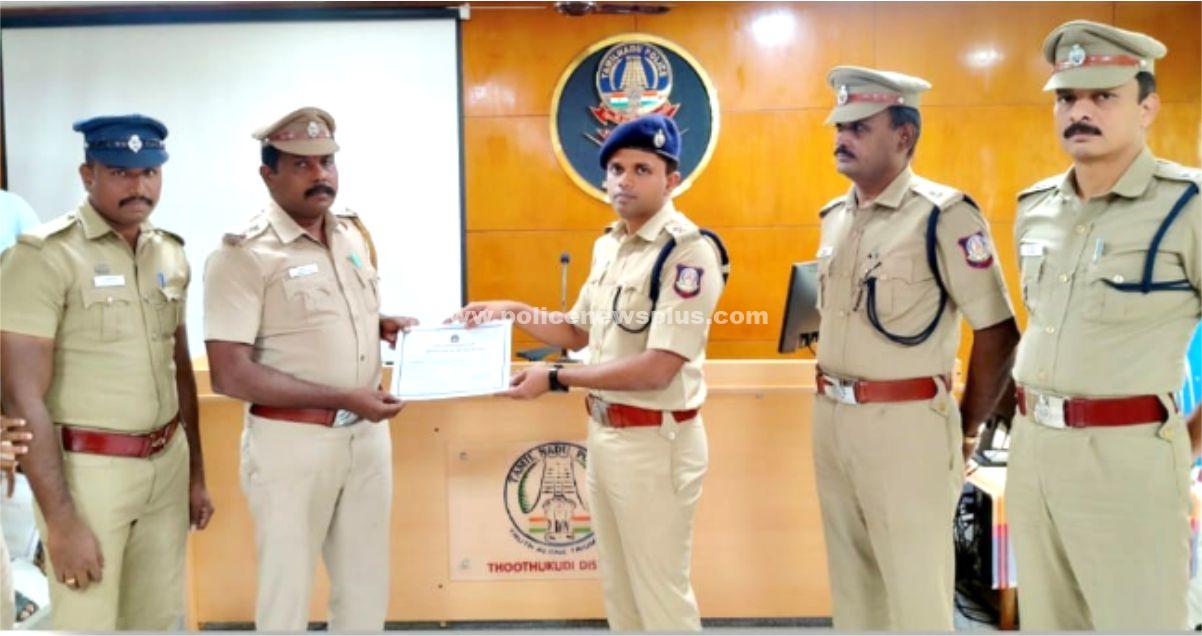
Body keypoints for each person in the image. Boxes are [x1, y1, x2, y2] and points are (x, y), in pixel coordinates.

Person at [453, 114, 728, 631]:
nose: (625, 180)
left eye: (642, 169)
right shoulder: (609, 245)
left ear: (671, 180)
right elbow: (576, 332)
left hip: (656, 444)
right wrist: (511, 309)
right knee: (620, 592)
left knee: (661, 597)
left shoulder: (688, 252)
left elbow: (659, 368)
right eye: (617, 169)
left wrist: (557, 379)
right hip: (606, 435)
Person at [1006, 20, 1202, 630]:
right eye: (1066, 97)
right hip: (1033, 452)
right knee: (1049, 620)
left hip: (1128, 457)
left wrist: (1185, 441)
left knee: (1138, 620)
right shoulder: (1035, 208)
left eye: (1103, 97)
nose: (1079, 112)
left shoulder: (1188, 207)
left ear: (1147, 108)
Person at [811, 66, 1019, 629]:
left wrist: (965, 426)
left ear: (904, 136)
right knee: (853, 584)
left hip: (906, 425)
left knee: (915, 587)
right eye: (840, 126)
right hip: (832, 418)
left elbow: (997, 330)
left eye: (859, 127)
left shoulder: (943, 215)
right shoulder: (835, 218)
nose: (842, 137)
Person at [204, 107, 415, 631]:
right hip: (292, 447)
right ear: (268, 173)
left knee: (366, 588)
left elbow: (320, 317)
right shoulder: (242, 254)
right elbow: (230, 373)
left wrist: (380, 323)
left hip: (366, 439)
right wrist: (342, 397)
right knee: (287, 594)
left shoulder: (350, 235)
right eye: (301, 164)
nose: (320, 175)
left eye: (327, 161)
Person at [0, 114, 213, 630]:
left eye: (149, 172)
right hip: (88, 476)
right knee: (87, 623)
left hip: (165, 466)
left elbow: (179, 369)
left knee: (157, 621)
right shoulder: (43, 258)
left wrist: (195, 476)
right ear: (87, 174)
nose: (138, 186)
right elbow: (21, 397)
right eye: (120, 172)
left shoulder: (169, 252)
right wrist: (61, 521)